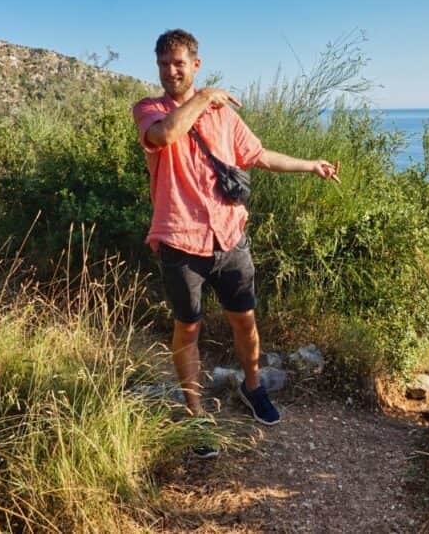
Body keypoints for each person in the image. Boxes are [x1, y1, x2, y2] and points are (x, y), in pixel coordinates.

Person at [132, 29, 340, 455]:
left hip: (228, 236)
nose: (170, 71)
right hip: (179, 238)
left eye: (178, 63)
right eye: (163, 64)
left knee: (245, 320)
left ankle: (252, 386)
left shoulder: (224, 118)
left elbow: (259, 155)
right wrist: (203, 98)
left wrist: (310, 165)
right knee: (187, 327)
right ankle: (196, 417)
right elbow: (166, 136)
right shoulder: (149, 110)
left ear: (195, 64)